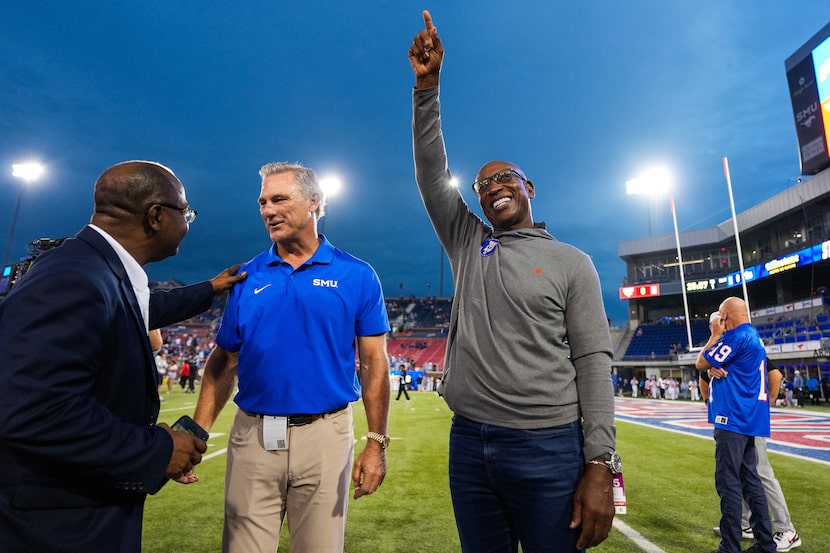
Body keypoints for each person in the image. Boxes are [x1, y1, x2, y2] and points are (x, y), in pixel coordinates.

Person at [409, 11, 618, 552]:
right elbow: (433, 174)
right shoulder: (468, 241)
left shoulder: (573, 262)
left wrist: (599, 464)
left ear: (529, 187)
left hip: (549, 448)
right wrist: (427, 88)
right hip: (470, 441)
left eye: (505, 178)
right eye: (483, 184)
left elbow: (594, 363)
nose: (492, 187)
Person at [0, 160, 246, 553]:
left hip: (70, 512)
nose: (188, 222)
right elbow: (36, 410)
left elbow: (138, 309)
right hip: (58, 524)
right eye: (186, 214)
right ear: (156, 217)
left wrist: (211, 288)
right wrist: (156, 449)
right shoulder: (75, 277)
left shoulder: (91, 267)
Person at [192, 161, 391, 553]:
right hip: (253, 434)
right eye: (263, 202)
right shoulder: (247, 276)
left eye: (279, 199)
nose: (267, 210)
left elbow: (374, 364)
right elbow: (223, 360)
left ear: (314, 202)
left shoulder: (358, 274)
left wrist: (376, 443)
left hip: (326, 435)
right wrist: (198, 432)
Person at [703, 322, 803, 552]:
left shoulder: (743, 341)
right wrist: (710, 371)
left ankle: (786, 529)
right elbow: (705, 372)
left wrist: (763, 408)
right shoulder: (734, 343)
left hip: (745, 418)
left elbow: (774, 373)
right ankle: (746, 523)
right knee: (746, 474)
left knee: (760, 474)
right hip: (740, 416)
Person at [696, 297, 776, 553]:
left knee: (728, 481)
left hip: (732, 419)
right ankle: (765, 543)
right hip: (748, 418)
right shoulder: (752, 335)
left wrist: (714, 335)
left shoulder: (736, 336)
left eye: (720, 316)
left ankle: (730, 546)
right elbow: (714, 367)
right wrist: (711, 370)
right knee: (750, 480)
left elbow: (701, 362)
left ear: (726, 317)